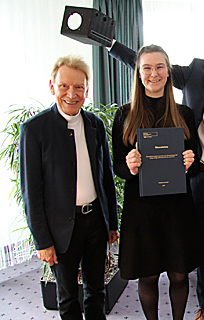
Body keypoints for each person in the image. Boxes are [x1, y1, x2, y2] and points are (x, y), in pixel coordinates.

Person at [109, 21, 204, 320]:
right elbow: (146, 62)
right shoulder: (194, 73)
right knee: (203, 249)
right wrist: (110, 44)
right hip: (200, 181)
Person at [19, 56, 119, 320]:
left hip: (96, 222)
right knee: (67, 298)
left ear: (87, 90)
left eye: (79, 87)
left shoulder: (95, 124)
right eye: (64, 86)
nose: (71, 94)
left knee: (96, 292)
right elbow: (31, 192)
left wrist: (112, 222)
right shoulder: (34, 130)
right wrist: (43, 241)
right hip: (60, 230)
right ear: (52, 87)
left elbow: (105, 176)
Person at [112, 44, 204, 320]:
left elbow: (196, 161)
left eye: (160, 67)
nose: (154, 73)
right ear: (139, 75)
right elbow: (117, 166)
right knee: (149, 276)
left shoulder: (184, 113)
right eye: (147, 68)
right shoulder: (124, 114)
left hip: (177, 208)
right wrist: (128, 166)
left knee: (179, 275)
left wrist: (191, 161)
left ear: (168, 72)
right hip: (142, 210)